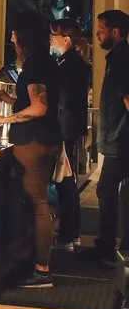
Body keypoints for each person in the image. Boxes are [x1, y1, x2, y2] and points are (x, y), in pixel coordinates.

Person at [0, 20, 61, 288]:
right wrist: (11, 101)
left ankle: (42, 270)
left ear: (25, 39)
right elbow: (35, 100)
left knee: (39, 204)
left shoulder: (34, 65)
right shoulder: (46, 63)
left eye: (15, 37)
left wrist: (2, 119)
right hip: (48, 137)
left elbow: (39, 107)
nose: (12, 42)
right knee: (38, 202)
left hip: (33, 140)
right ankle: (36, 260)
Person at [86, 9, 129, 264]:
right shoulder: (118, 57)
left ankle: (107, 248)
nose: (98, 34)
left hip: (120, 139)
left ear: (116, 31)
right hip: (118, 137)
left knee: (105, 188)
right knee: (113, 190)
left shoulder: (121, 59)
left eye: (101, 29)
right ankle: (114, 245)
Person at [50, 19, 91, 251]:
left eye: (53, 34)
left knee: (64, 181)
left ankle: (67, 235)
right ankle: (72, 232)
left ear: (66, 39)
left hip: (65, 128)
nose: (50, 38)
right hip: (72, 128)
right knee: (68, 181)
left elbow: (63, 102)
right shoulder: (74, 62)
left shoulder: (67, 65)